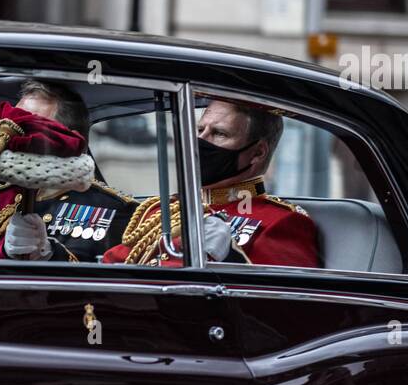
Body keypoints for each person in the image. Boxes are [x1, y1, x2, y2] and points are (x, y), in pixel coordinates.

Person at [102, 100, 320, 267]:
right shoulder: (161, 211)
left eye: (219, 133)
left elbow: (285, 310)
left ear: (257, 153)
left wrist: (231, 257)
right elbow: (111, 268)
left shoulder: (279, 222)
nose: (199, 142)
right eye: (199, 130)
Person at [0, 79, 138, 262]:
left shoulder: (113, 210)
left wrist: (47, 253)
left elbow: (102, 283)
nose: (14, 139)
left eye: (30, 128)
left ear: (71, 141)